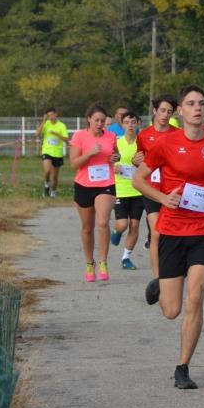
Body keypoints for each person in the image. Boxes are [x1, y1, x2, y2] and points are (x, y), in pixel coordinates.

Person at [132, 85, 204, 389]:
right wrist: (162, 197)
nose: (197, 108)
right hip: (171, 230)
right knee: (172, 310)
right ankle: (160, 284)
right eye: (191, 104)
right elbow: (139, 179)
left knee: (195, 296)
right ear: (180, 111)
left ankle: (183, 367)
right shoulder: (165, 144)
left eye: (202, 103)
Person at [69, 103, 119, 282]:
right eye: (96, 120)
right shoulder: (79, 136)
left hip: (105, 183)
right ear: (89, 119)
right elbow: (74, 164)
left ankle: (103, 261)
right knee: (87, 229)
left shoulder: (111, 136)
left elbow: (116, 154)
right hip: (84, 185)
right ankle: (90, 263)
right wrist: (89, 154)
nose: (99, 124)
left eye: (102, 121)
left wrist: (115, 157)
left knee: (103, 221)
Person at [135, 96, 178, 293]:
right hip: (152, 190)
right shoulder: (144, 135)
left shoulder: (178, 134)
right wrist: (137, 162)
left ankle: (173, 271)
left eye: (169, 112)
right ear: (154, 111)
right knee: (157, 233)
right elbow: (140, 161)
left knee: (171, 233)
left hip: (173, 190)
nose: (165, 115)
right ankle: (157, 278)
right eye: (162, 111)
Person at [110, 109, 145, 270]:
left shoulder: (143, 143)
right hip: (121, 188)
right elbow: (108, 160)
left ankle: (126, 257)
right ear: (122, 125)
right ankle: (116, 232)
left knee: (135, 225)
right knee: (123, 224)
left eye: (133, 122)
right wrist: (113, 165)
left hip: (138, 189)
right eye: (126, 122)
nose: (130, 125)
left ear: (138, 124)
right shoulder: (116, 142)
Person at [36, 107, 69, 198]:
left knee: (54, 177)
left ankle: (53, 192)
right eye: (49, 115)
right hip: (47, 151)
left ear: (56, 114)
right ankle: (46, 185)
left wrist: (57, 134)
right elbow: (37, 134)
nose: (51, 117)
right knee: (47, 170)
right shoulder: (46, 124)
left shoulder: (61, 126)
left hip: (57, 153)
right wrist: (43, 121)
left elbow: (66, 140)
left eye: (52, 114)